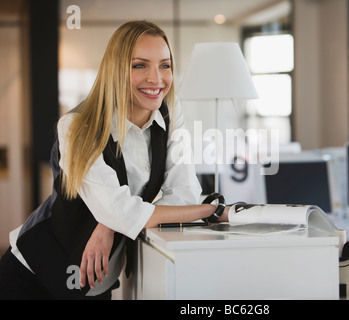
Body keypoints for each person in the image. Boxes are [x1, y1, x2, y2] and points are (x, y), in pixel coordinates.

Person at [0, 20, 228, 300]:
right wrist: (209, 210)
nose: (156, 79)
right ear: (116, 69)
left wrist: (109, 221)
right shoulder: (76, 127)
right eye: (139, 65)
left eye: (165, 65)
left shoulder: (170, 112)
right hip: (32, 275)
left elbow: (184, 191)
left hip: (98, 282)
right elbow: (120, 210)